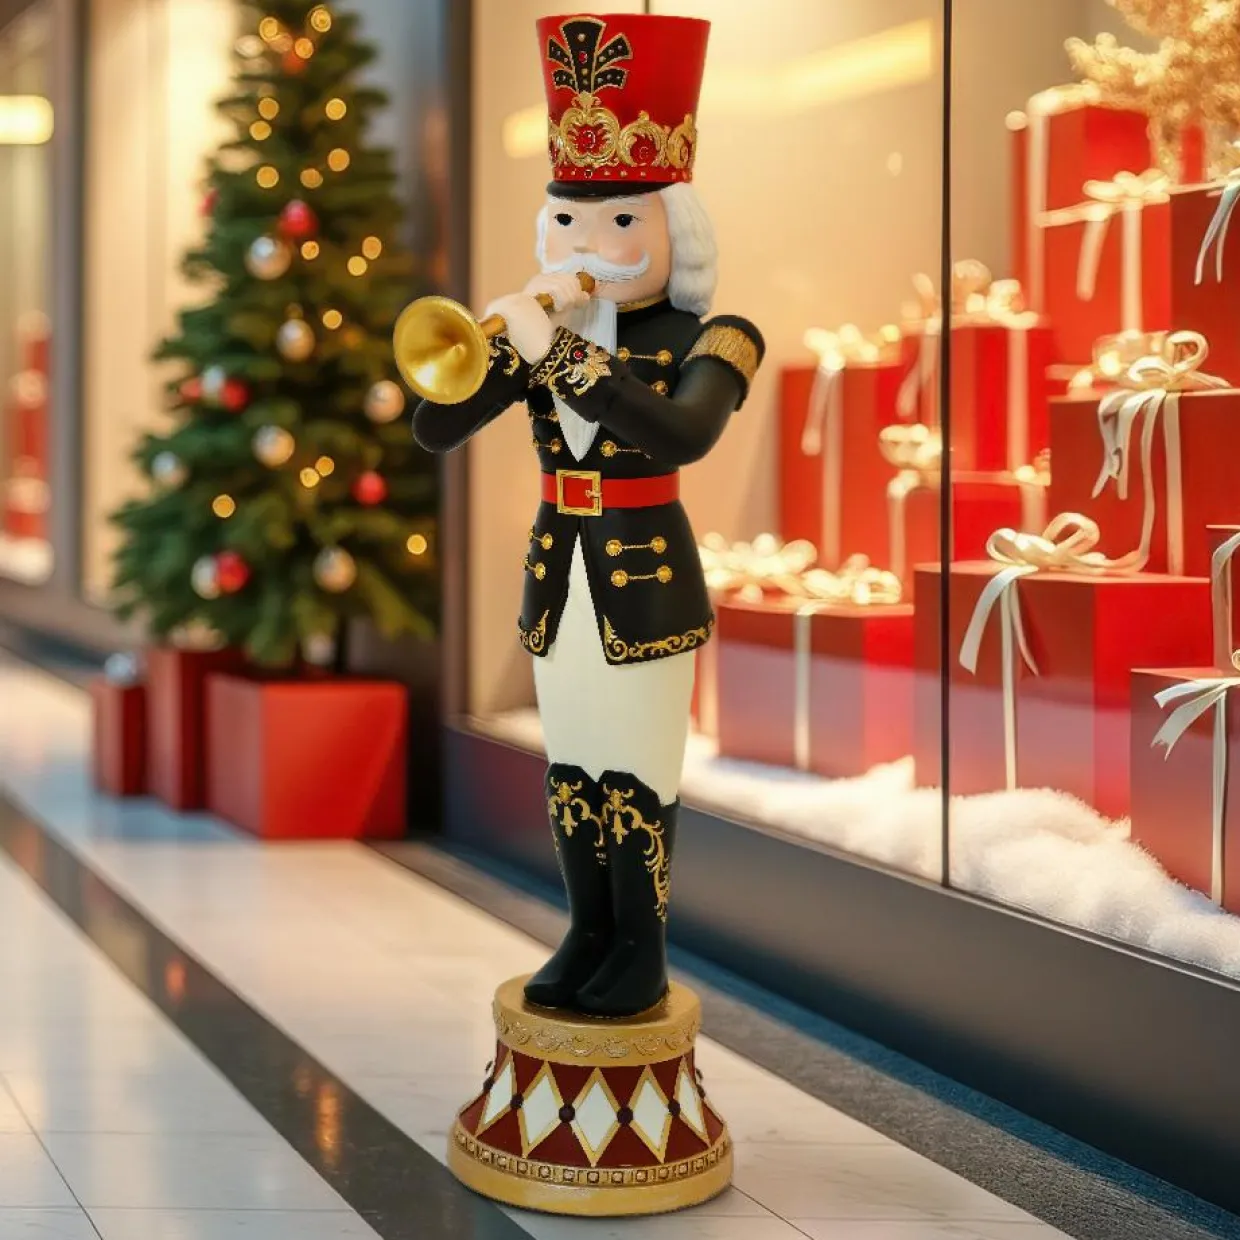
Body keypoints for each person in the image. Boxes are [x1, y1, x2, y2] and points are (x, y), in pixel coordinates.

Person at [413, 12, 763, 1018]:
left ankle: (640, 948)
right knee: (571, 764)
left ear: (675, 229)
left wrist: (561, 353)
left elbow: (680, 433)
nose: (590, 246)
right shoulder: (545, 334)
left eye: (619, 225)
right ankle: (586, 930)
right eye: (567, 222)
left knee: (638, 767)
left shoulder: (715, 335)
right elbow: (436, 426)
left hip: (645, 582)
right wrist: (503, 345)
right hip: (558, 578)